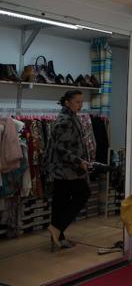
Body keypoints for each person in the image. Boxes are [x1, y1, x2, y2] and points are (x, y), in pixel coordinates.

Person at [46, 90, 91, 251]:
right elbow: (61, 149)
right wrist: (79, 162)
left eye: (81, 101)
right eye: (77, 102)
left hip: (66, 169)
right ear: (67, 102)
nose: (80, 105)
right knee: (83, 193)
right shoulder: (65, 121)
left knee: (60, 201)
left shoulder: (72, 118)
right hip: (65, 170)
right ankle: (56, 228)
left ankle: (58, 237)